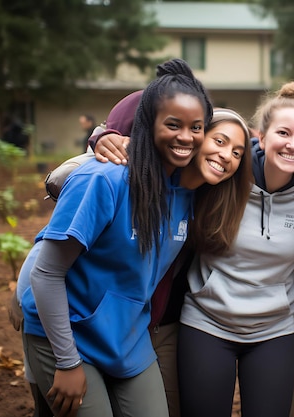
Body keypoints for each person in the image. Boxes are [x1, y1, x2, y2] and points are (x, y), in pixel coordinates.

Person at [20, 58, 214, 417]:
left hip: (126, 338)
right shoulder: (103, 180)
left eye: (197, 127)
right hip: (66, 333)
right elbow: (46, 274)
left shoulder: (185, 192)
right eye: (173, 124)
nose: (186, 137)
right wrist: (67, 362)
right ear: (148, 124)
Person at [177, 81, 294, 417]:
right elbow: (163, 145)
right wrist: (106, 135)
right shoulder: (224, 173)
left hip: (274, 330)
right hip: (207, 322)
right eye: (284, 133)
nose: (293, 145)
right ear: (261, 135)